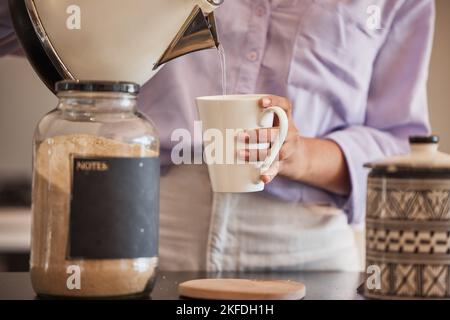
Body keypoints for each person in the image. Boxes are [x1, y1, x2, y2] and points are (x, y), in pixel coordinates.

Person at [0, 0, 435, 271]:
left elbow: (399, 146)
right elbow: (25, 22)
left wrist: (299, 155)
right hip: (129, 221)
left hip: (302, 249)